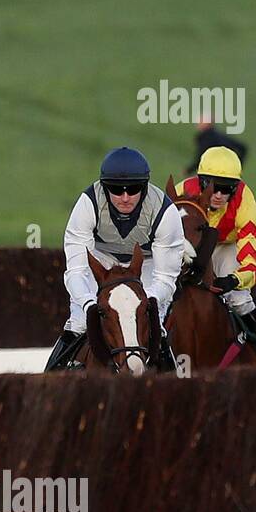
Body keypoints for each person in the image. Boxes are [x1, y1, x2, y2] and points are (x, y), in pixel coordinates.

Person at [45, 147, 184, 371]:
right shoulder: (87, 204)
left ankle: (171, 381)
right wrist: (90, 304)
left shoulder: (165, 212)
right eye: (116, 190)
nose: (125, 197)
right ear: (104, 186)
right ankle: (51, 378)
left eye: (134, 189)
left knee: (154, 322)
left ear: (145, 186)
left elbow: (166, 277)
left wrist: (148, 301)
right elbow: (76, 271)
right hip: (102, 260)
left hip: (145, 263)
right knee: (80, 321)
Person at [177, 146, 256, 363]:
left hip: (226, 247)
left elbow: (252, 256)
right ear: (200, 181)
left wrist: (236, 279)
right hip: (189, 248)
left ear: (236, 187)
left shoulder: (244, 199)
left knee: (238, 298)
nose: (219, 195)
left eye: (227, 189)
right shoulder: (182, 191)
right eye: (213, 187)